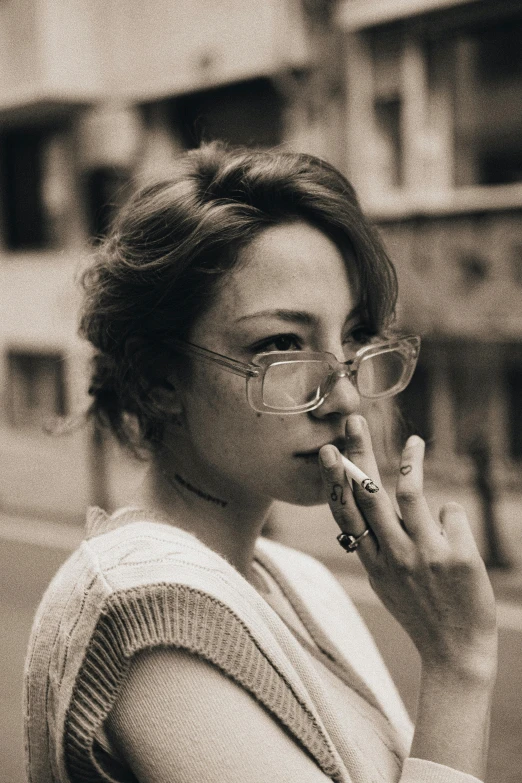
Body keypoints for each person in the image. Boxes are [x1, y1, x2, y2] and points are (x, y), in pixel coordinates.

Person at [23, 142, 497, 783]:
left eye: (353, 336)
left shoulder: (299, 577)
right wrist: (457, 663)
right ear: (161, 377)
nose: (346, 396)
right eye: (281, 344)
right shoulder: (145, 607)